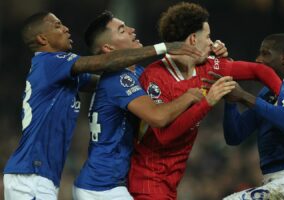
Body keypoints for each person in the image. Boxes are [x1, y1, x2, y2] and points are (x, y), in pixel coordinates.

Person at [3, 11, 202, 200]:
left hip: (40, 175)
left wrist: (202, 62)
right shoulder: (50, 62)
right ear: (42, 39)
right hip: (31, 175)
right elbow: (107, 64)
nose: (66, 28)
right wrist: (164, 48)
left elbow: (109, 84)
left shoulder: (62, 74)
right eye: (57, 26)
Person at [71, 11, 234, 200]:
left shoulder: (135, 74)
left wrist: (209, 54)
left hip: (106, 184)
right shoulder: (118, 79)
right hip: (101, 188)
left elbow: (174, 73)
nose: (132, 30)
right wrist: (189, 97)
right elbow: (158, 117)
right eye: (122, 30)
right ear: (108, 47)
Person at [128, 2, 283, 199]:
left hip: (171, 182)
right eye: (208, 36)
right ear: (193, 39)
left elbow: (259, 70)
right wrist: (207, 102)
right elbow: (164, 136)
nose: (212, 43)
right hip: (147, 182)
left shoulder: (208, 66)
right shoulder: (155, 78)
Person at [221, 33, 284, 200]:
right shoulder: (267, 95)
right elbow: (235, 135)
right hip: (274, 184)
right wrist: (230, 98)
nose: (258, 59)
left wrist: (244, 96)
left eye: (265, 53)